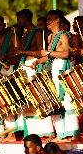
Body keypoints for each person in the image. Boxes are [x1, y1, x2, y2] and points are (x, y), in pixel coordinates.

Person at [33, 10, 80, 141]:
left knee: (67, 100)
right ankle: (61, 133)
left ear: (58, 20)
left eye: (50, 19)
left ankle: (73, 133)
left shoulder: (63, 35)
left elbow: (65, 54)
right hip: (54, 68)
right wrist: (37, 61)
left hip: (63, 67)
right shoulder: (50, 37)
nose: (47, 22)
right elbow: (49, 55)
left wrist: (47, 54)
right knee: (58, 101)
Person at [15, 9, 54, 140]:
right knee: (29, 101)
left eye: (19, 19)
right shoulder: (25, 35)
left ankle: (47, 131)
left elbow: (41, 52)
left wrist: (23, 52)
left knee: (40, 98)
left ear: (26, 18)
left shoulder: (38, 32)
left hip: (34, 65)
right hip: (25, 67)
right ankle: (33, 133)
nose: (18, 22)